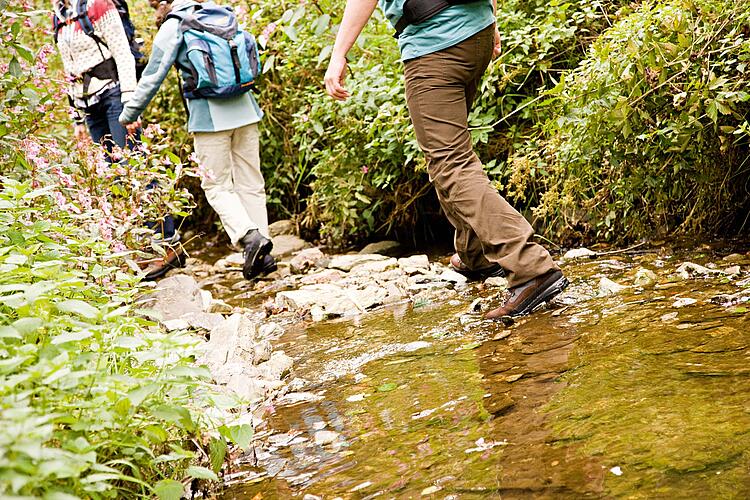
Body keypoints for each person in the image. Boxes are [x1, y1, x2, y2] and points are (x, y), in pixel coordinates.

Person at [324, 0, 568, 318]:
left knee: (450, 162)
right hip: (475, 32)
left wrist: (339, 53)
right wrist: (491, 20)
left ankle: (529, 266)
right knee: (448, 155)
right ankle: (475, 254)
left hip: (435, 45)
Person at [119, 0, 276, 280]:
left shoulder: (176, 23)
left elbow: (154, 74)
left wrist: (129, 113)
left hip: (210, 118)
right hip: (247, 110)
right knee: (251, 182)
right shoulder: (220, 13)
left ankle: (249, 238)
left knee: (216, 185)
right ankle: (262, 255)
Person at [53, 0, 184, 280]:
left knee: (134, 168)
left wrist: (130, 104)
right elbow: (69, 69)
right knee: (115, 174)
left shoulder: (98, 5)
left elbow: (123, 54)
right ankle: (146, 246)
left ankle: (169, 245)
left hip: (114, 96)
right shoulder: (60, 15)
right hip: (88, 105)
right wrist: (76, 117)